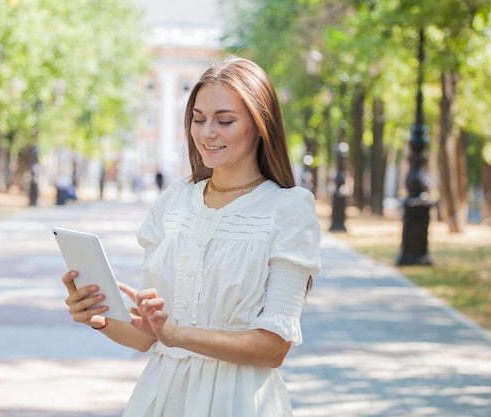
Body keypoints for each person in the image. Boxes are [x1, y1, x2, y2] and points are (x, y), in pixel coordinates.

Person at [62, 55, 321, 417]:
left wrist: (177, 335)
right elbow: (147, 336)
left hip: (239, 402)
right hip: (161, 397)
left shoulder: (288, 208)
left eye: (224, 120)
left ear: (261, 125)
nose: (206, 133)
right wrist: (99, 316)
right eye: (198, 119)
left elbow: (273, 348)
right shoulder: (175, 201)